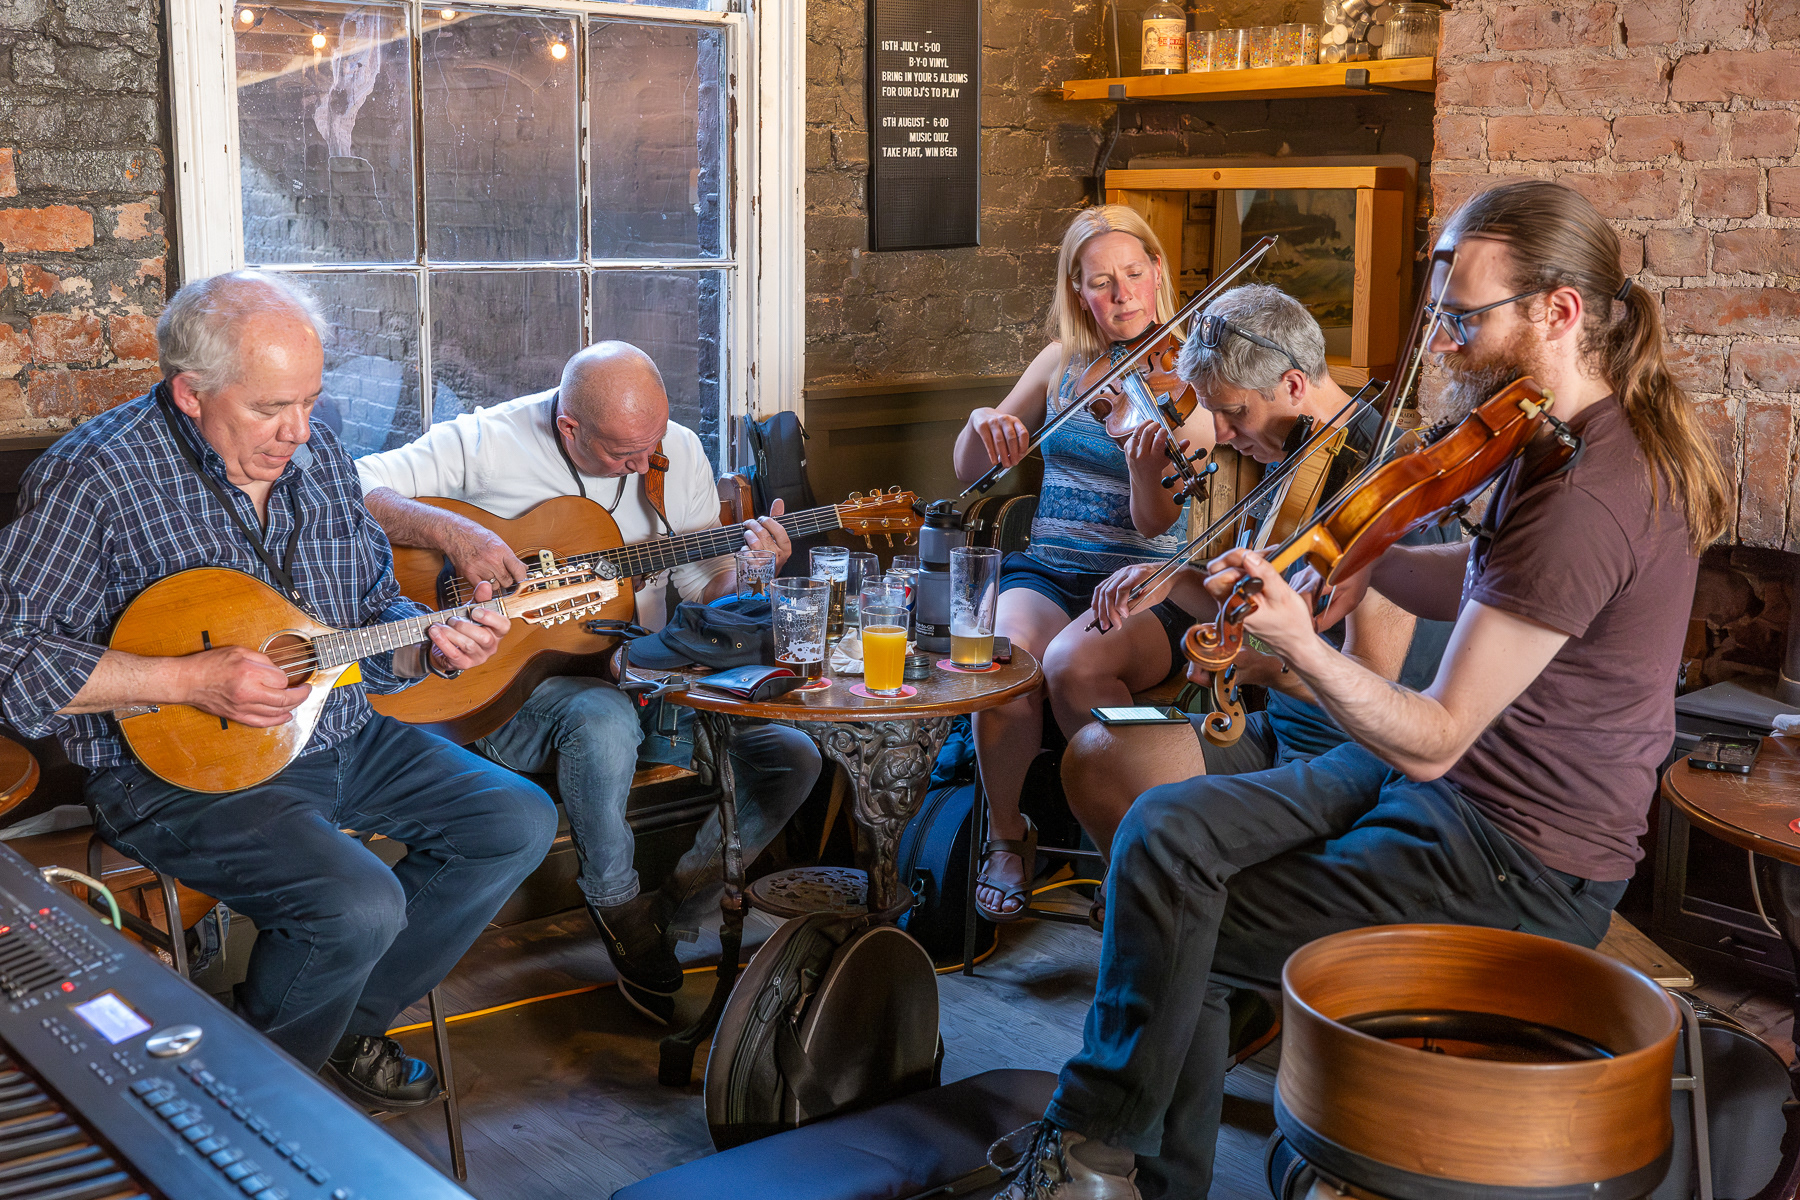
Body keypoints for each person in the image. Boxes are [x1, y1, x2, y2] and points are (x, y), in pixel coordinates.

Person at [998, 177, 1732, 1199]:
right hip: (1445, 792)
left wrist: (1299, 641)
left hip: (1511, 852)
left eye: (1465, 319)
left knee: (1171, 907)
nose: (1442, 345)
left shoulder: (1585, 494)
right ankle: (1108, 1160)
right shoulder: (1551, 437)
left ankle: (1088, 1156)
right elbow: (1482, 585)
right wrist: (1368, 556)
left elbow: (1432, 733)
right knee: (1164, 833)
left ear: (1559, 313)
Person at [0, 270, 556, 1109]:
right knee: (359, 905)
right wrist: (189, 678)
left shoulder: (320, 455)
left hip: (338, 735)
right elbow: (13, 662)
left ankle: (324, 1029)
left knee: (516, 819)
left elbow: (366, 627)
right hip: (177, 775)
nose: (298, 430)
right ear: (191, 392)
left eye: (310, 400)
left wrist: (434, 652)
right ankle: (255, 1110)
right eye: (269, 409)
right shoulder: (95, 478)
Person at [357, 341, 822, 1025]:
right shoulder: (487, 441)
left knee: (792, 757)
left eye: (651, 446)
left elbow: (705, 592)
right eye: (621, 456)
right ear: (570, 427)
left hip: (650, 675)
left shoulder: (674, 452)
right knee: (604, 720)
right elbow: (351, 486)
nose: (642, 466)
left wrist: (754, 573)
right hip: (502, 691)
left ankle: (663, 918)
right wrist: (458, 534)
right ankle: (614, 899)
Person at [1062, 285, 1453, 864]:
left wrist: (1260, 670)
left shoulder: (1379, 485)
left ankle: (1200, 907)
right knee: (1098, 754)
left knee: (1158, 815)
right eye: (1209, 410)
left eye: (1233, 411)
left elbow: (1373, 681)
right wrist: (1172, 579)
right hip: (1280, 728)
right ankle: (1179, 902)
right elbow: (1252, 602)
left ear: (1294, 385)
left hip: (1350, 758)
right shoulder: (1297, 458)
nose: (1219, 433)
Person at [950, 205, 1214, 923]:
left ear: (1158, 273)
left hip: (1149, 583)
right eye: (1103, 282)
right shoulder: (1061, 365)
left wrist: (1140, 461)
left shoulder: (1187, 380)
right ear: (1078, 291)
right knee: (999, 657)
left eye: (1134, 274)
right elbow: (970, 471)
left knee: (1072, 665)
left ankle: (1130, 844)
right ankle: (1008, 836)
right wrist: (985, 423)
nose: (1123, 294)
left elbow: (1157, 520)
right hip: (1051, 566)